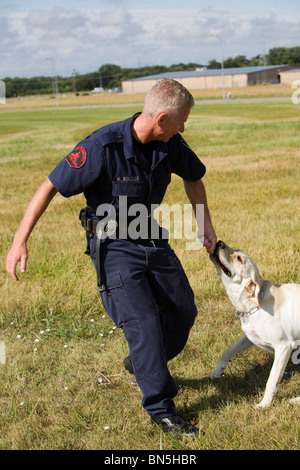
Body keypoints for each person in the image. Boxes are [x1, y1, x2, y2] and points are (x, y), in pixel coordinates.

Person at [6, 79, 217, 437]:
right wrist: (19, 241)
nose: (184, 127)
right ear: (161, 118)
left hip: (149, 235)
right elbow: (50, 186)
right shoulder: (102, 146)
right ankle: (161, 409)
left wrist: (204, 225)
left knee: (184, 310)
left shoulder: (170, 143)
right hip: (113, 246)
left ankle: (142, 363)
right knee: (144, 323)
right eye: (181, 121)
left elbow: (194, 177)